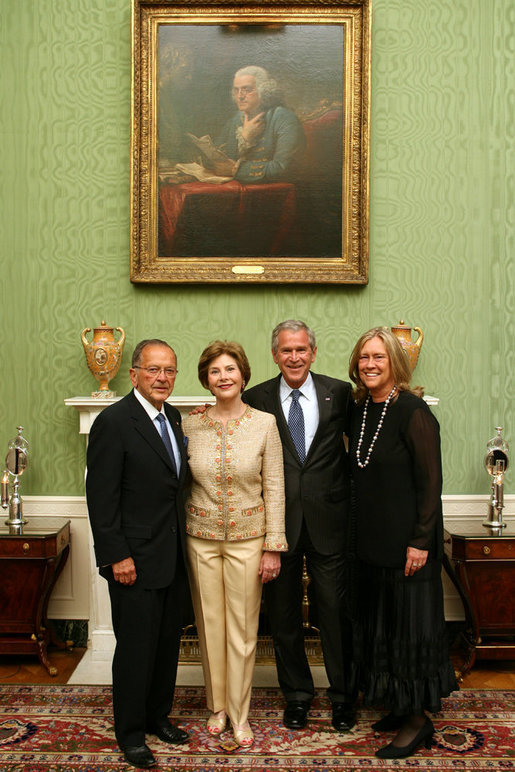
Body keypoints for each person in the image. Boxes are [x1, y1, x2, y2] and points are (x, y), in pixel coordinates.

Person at [348, 327, 458, 759]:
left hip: (409, 548)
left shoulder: (414, 412)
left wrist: (420, 541)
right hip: (370, 544)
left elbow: (430, 484)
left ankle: (417, 722)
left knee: (410, 630)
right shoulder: (359, 410)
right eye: (363, 358)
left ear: (396, 361)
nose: (370, 365)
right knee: (383, 629)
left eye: (379, 357)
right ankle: (398, 704)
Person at [242, 320, 356, 733]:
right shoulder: (255, 398)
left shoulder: (339, 392)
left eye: (302, 349)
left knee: (334, 611)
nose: (294, 357)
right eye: (287, 350)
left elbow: (360, 447)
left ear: (313, 352)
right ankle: (297, 696)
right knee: (284, 615)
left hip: (330, 520)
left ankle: (343, 696)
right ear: (275, 355)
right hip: (277, 524)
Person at [86, 339, 190, 770]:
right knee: (135, 648)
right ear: (134, 375)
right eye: (153, 370)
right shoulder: (113, 422)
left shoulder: (175, 417)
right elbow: (101, 497)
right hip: (133, 560)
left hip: (172, 556)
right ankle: (130, 733)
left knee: (167, 645)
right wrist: (117, 556)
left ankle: (156, 717)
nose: (162, 378)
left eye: (169, 370)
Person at [182, 340, 287, 748]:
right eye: (214, 372)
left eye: (230, 370)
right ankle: (217, 706)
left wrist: (273, 544)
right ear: (206, 380)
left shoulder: (265, 424)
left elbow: (275, 486)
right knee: (209, 627)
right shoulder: (188, 425)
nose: (223, 377)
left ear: (243, 375)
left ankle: (241, 714)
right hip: (200, 539)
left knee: (244, 631)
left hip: (249, 539)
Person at [211, 65, 306, 184]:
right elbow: (219, 158)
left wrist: (235, 170)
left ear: (264, 91)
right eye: (236, 90)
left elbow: (283, 168)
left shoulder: (283, 118)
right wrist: (245, 138)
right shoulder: (236, 119)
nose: (240, 96)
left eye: (247, 89)